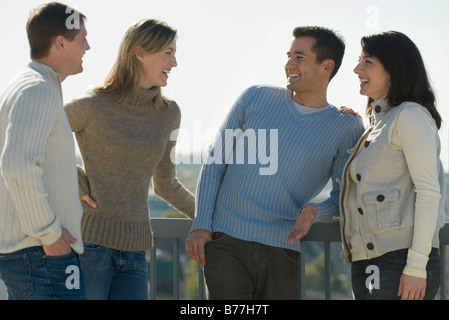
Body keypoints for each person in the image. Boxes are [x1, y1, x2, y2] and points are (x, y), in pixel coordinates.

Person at [186, 26, 364, 300]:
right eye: (289, 55)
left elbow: (343, 197)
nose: (289, 64)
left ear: (326, 66)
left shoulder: (345, 127)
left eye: (299, 57)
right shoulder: (255, 98)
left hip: (283, 249)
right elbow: (215, 162)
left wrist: (315, 210)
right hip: (226, 242)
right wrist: (201, 224)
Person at [64, 19, 195, 300]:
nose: (174, 63)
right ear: (140, 53)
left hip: (136, 253)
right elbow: (34, 135)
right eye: (168, 53)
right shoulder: (93, 106)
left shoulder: (169, 113)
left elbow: (166, 184)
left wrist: (209, 217)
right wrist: (72, 177)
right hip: (91, 249)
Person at [338, 31, 445, 300]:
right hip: (369, 258)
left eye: (367, 62)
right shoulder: (379, 123)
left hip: (400, 260)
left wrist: (417, 266)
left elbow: (429, 193)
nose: (356, 69)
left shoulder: (410, 116)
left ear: (394, 69)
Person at [0, 2, 90, 300]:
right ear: (60, 43)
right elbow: (16, 164)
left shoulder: (27, 86)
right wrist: (50, 235)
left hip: (37, 255)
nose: (88, 47)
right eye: (82, 39)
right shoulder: (37, 89)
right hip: (42, 256)